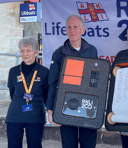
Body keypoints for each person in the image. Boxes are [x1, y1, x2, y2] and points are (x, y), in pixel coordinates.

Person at [46, 14, 98, 148]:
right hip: (66, 106)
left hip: (88, 107)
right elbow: (53, 82)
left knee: (88, 144)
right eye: (69, 27)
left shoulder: (92, 50)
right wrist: (50, 109)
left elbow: (96, 81)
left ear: (83, 30)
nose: (72, 30)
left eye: (75, 27)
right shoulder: (58, 53)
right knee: (69, 144)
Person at [6, 36, 49, 148]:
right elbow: (12, 91)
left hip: (35, 116)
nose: (25, 53)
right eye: (22, 51)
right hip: (14, 116)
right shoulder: (13, 71)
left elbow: (47, 94)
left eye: (28, 50)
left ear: (36, 52)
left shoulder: (44, 72)